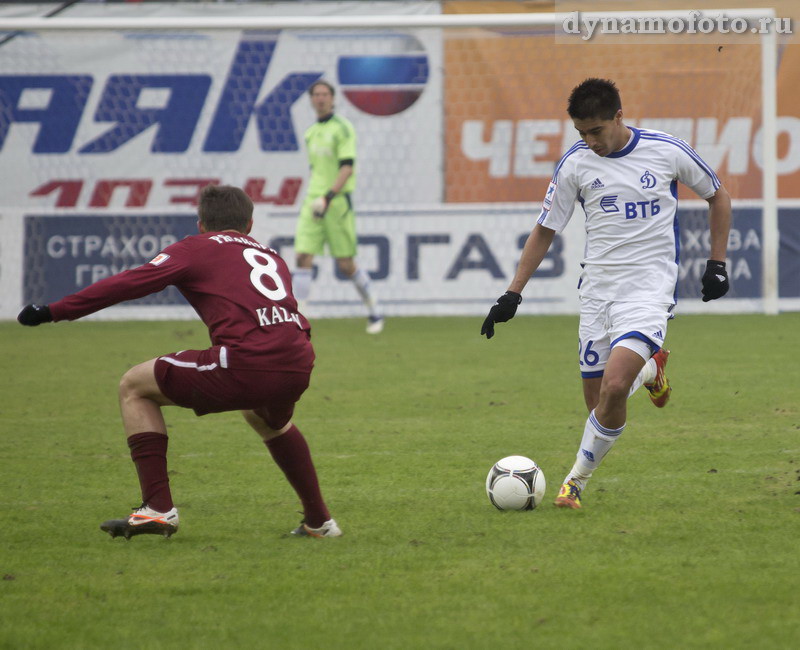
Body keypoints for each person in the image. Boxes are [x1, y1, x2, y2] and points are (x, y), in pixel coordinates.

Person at [18, 185, 342, 539]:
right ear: (249, 224)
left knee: (134, 386)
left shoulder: (195, 247)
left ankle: (157, 509)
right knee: (269, 421)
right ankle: (319, 523)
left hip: (248, 362)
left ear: (201, 223)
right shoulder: (271, 254)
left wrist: (55, 311)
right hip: (297, 360)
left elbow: (129, 283)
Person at [481, 78, 731, 509]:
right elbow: (545, 230)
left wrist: (717, 262)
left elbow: (718, 196)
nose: (589, 141)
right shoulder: (575, 164)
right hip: (598, 290)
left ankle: (574, 482)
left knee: (615, 386)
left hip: (649, 287)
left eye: (595, 130)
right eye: (581, 132)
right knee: (599, 404)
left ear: (619, 116)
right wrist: (512, 293)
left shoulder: (666, 149)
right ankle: (652, 372)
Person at [293, 79, 384, 334]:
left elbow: (347, 166)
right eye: (316, 94)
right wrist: (317, 197)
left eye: (325, 94)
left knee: (345, 264)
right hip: (313, 200)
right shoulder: (310, 132)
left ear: (333, 99)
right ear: (311, 100)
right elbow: (316, 171)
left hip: (336, 202)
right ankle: (300, 319)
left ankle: (374, 308)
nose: (321, 98)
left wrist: (328, 196)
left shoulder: (342, 128)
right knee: (302, 257)